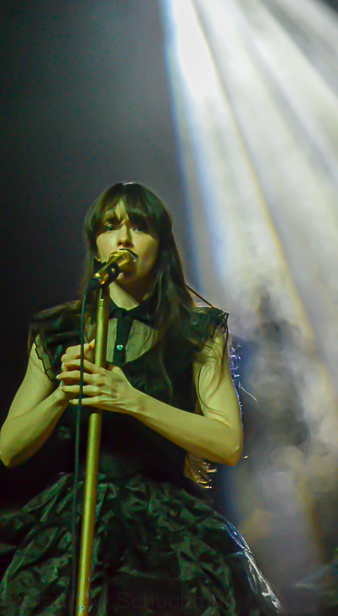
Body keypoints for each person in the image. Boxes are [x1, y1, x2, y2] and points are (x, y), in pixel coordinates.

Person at [0, 183, 281, 615]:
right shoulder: (58, 332)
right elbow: (9, 449)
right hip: (72, 524)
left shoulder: (197, 332)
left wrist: (132, 400)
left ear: (161, 245)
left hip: (168, 535)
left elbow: (227, 443)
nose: (123, 239)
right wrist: (62, 393)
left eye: (139, 227)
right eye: (110, 226)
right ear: (96, 245)